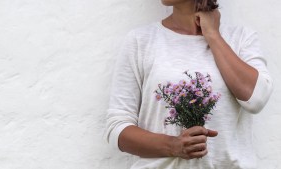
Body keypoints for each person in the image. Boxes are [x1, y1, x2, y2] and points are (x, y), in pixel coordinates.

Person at [105, 0, 273, 168]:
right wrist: (173, 146)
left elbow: (256, 99)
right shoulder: (141, 41)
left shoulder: (240, 38)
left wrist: (213, 35)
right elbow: (117, 129)